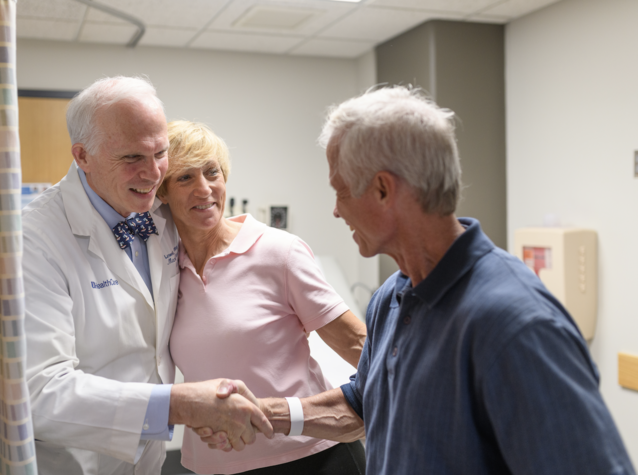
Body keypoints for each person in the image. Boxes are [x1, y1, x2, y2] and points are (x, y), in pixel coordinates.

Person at [199, 86, 637, 475]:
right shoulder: (392, 298)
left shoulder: (513, 323)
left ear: (384, 190)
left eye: (340, 191)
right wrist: (264, 412)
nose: (336, 210)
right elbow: (363, 404)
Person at [22, 77, 272, 475]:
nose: (154, 173)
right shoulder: (34, 239)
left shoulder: (160, 212)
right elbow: (40, 391)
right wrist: (180, 404)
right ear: (82, 156)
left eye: (160, 153)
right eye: (132, 158)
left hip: (150, 458)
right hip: (75, 462)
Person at [157, 120, 368, 475]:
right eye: (185, 178)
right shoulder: (164, 270)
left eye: (212, 172)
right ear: (162, 192)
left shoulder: (277, 252)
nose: (204, 189)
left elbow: (358, 344)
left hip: (312, 457)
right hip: (213, 464)